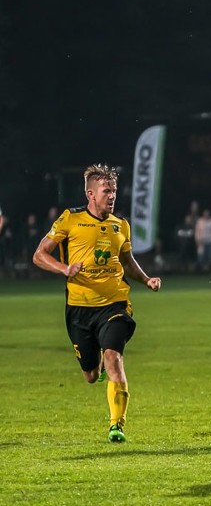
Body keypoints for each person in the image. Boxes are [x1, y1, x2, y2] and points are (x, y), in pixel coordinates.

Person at [32, 164, 161, 443]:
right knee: (91, 375)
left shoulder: (120, 225)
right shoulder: (70, 220)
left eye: (113, 190)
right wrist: (64, 269)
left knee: (113, 357)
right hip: (79, 308)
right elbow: (39, 255)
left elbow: (127, 262)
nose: (112, 196)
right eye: (106, 191)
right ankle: (96, 366)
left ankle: (117, 424)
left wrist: (147, 279)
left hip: (115, 304)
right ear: (90, 193)